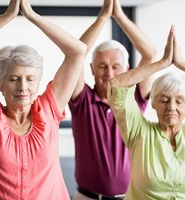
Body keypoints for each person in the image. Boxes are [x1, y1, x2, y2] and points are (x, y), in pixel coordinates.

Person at [0, 0, 87, 199]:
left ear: (38, 82)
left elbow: (77, 52)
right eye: (14, 79)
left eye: (30, 79)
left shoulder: (49, 108)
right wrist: (7, 17)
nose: (23, 87)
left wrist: (33, 17)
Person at [69, 0, 157, 199]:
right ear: (92, 69)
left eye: (115, 66)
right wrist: (102, 17)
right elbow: (75, 53)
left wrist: (119, 16)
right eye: (102, 66)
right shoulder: (82, 99)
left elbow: (150, 54)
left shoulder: (135, 98)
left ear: (126, 69)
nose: (109, 73)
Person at [108, 25, 185, 199]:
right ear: (154, 103)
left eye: (179, 101)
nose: (171, 107)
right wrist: (162, 63)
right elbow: (117, 85)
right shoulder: (139, 132)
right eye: (164, 100)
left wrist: (181, 63)